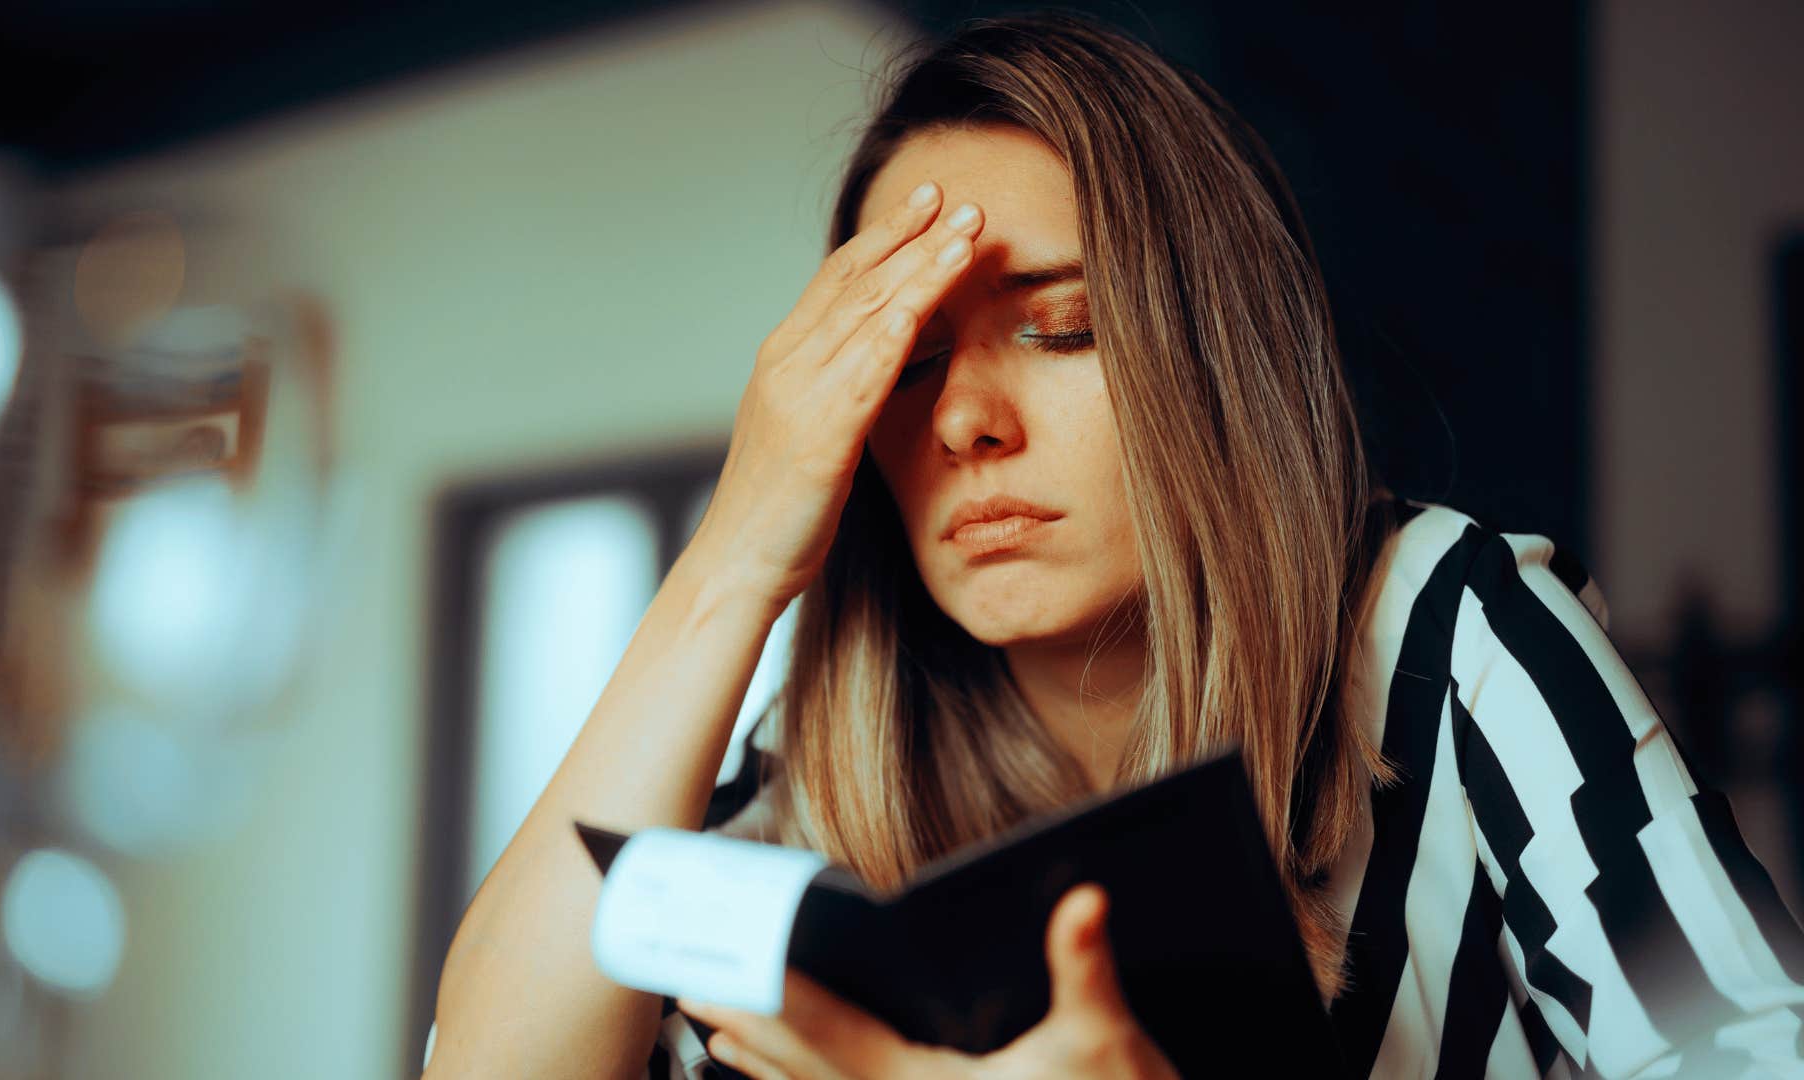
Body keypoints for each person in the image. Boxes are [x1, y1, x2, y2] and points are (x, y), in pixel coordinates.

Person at [424, 12, 1804, 1079]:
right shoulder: (807, 791)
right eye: (900, 363)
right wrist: (736, 554)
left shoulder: (1452, 634)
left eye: (1063, 325)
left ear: (1212, 355)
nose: (963, 418)